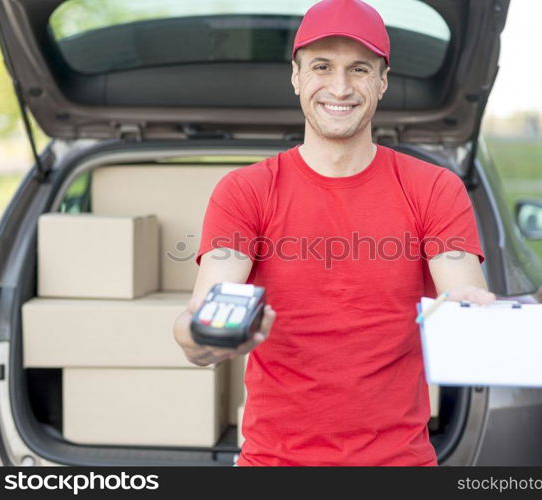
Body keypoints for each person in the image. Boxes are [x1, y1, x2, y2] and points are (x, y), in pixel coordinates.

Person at [173, 0, 495, 466]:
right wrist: (202, 339)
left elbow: (462, 290)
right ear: (297, 77)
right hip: (273, 463)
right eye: (322, 66)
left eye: (359, 69)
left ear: (382, 82)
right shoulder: (245, 191)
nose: (340, 87)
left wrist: (471, 313)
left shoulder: (434, 188)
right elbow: (204, 314)